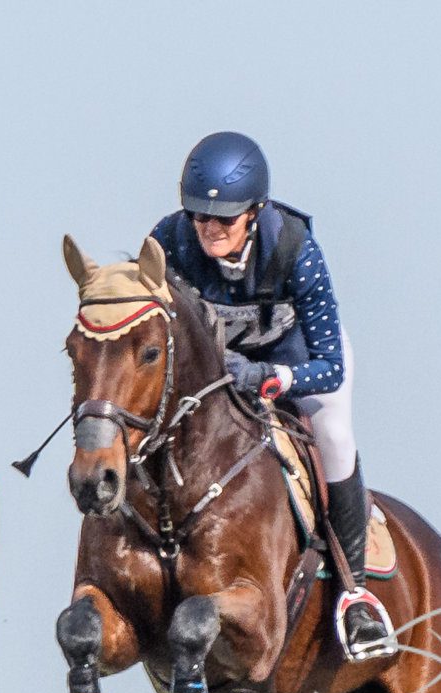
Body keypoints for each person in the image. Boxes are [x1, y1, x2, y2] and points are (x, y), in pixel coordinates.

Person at [148, 130, 395, 661]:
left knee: (333, 434)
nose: (209, 229)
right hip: (215, 367)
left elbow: (328, 368)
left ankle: (355, 595)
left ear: (254, 212)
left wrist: (270, 377)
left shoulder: (294, 248)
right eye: (200, 217)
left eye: (225, 219)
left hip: (297, 356)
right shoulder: (169, 243)